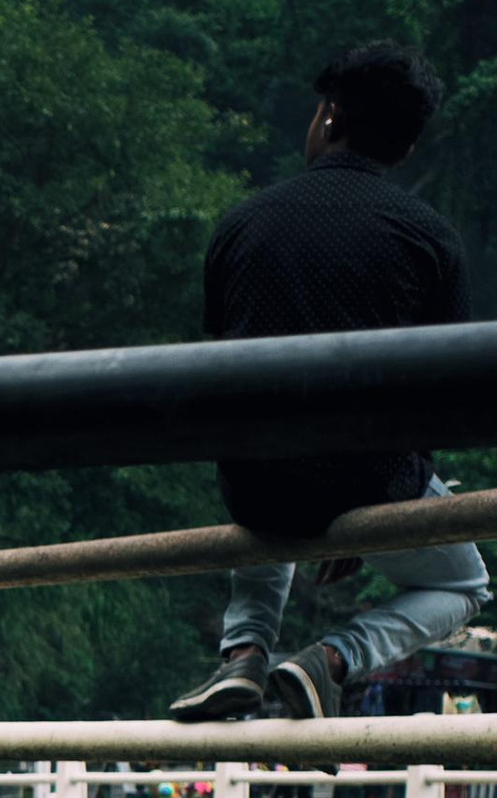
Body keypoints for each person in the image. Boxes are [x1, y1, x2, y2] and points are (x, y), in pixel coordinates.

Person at [170, 43, 486, 723]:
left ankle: (243, 653)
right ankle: (332, 659)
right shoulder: (428, 237)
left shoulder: (242, 225)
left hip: (258, 484)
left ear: (331, 116)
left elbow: (224, 366)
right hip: (369, 478)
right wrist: (370, 518)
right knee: (466, 585)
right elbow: (447, 395)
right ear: (405, 148)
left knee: (266, 456)